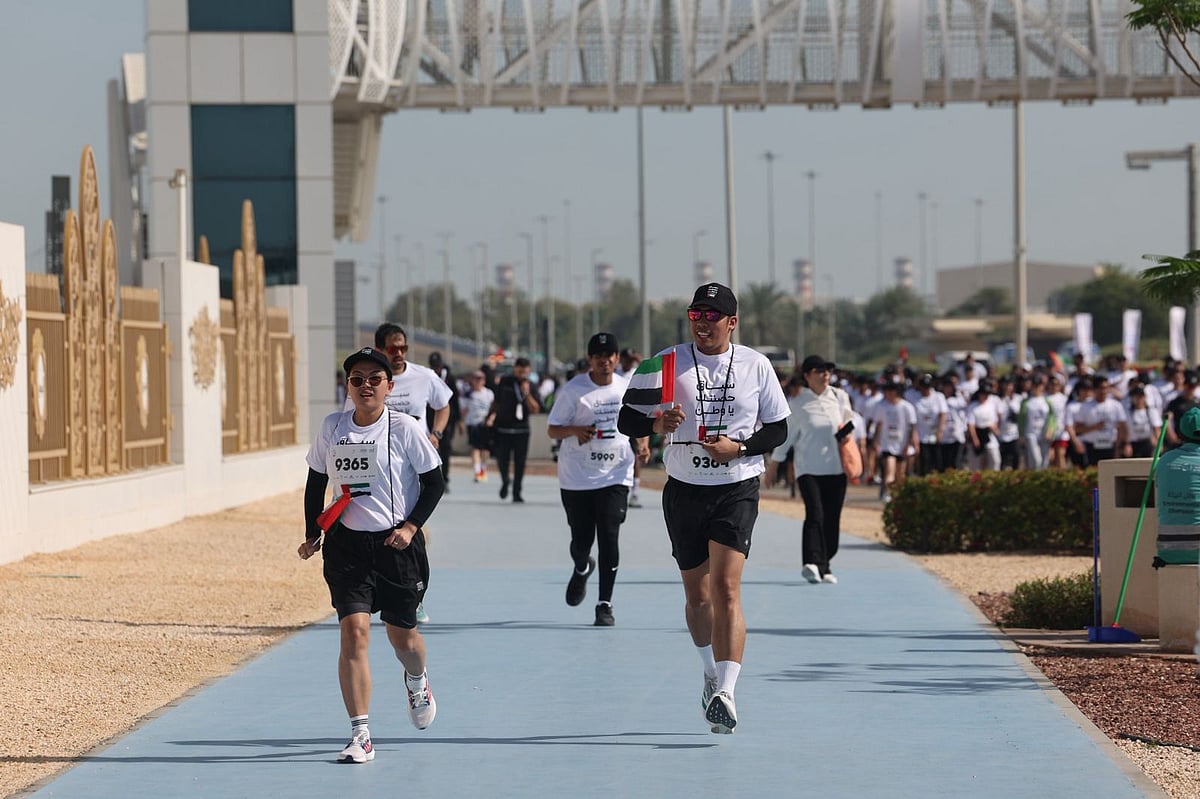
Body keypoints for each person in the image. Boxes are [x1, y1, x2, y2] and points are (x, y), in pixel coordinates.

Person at [618, 282, 789, 735]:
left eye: (712, 316)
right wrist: (656, 422)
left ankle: (728, 690)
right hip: (684, 488)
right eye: (696, 315)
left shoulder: (756, 365)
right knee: (698, 596)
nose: (703, 323)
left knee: (727, 588)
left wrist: (742, 447)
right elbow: (626, 418)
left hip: (736, 486)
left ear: (732, 322)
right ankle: (710, 673)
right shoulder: (665, 362)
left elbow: (778, 429)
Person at [299, 347, 446, 764]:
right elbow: (315, 484)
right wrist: (313, 535)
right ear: (348, 387)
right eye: (357, 379)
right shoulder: (333, 427)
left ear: (388, 386)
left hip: (397, 546)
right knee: (354, 633)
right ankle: (360, 734)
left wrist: (411, 527)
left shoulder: (404, 429)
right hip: (348, 547)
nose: (366, 386)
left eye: (374, 379)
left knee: (404, 638)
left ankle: (416, 679)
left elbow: (434, 483)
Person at [350, 324, 453, 624]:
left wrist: (436, 433)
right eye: (393, 349)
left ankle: (414, 593)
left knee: (412, 525)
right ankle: (382, 591)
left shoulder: (423, 376)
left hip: (417, 461)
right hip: (383, 463)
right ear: (380, 349)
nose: (398, 354)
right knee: (388, 524)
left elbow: (443, 405)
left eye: (403, 349)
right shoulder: (369, 381)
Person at [548, 332, 647, 626]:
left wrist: (642, 442)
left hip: (616, 474)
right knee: (581, 542)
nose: (605, 362)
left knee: (609, 535)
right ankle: (581, 568)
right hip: (577, 477)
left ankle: (605, 604)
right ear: (590, 360)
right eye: (599, 358)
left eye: (610, 357)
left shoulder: (626, 388)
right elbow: (553, 429)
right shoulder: (573, 391)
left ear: (617, 359)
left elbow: (639, 423)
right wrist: (575, 430)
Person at [765, 354, 853, 584]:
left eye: (828, 370)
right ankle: (811, 562)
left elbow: (852, 424)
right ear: (807, 375)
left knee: (832, 518)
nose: (825, 375)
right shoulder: (797, 404)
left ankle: (826, 564)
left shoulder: (840, 397)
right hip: (808, 470)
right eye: (819, 370)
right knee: (815, 513)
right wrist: (774, 464)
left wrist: (848, 433)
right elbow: (786, 438)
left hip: (837, 468)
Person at [487, 357, 542, 502]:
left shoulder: (532, 385)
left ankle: (517, 492)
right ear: (515, 369)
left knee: (520, 462)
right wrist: (489, 416)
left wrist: (527, 394)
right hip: (503, 428)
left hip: (521, 430)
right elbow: (496, 401)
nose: (522, 373)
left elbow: (536, 409)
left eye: (525, 370)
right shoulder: (505, 382)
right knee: (502, 459)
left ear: (528, 370)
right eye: (519, 370)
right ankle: (505, 480)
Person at [428, 352, 461, 488]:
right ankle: (432, 478)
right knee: (431, 448)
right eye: (434, 366)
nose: (436, 368)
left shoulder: (450, 377)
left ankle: (445, 477)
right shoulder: (428, 376)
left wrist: (459, 420)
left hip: (448, 419)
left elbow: (455, 399)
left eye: (438, 366)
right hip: (430, 417)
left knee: (446, 448)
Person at [459, 369, 495, 481]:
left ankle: (483, 468)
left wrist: (491, 420)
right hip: (473, 424)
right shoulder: (468, 394)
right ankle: (477, 471)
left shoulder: (488, 393)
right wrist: (461, 422)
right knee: (475, 448)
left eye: (480, 379)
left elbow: (494, 408)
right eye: (476, 379)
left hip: (485, 424)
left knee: (485, 449)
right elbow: (463, 410)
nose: (478, 381)